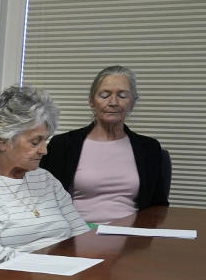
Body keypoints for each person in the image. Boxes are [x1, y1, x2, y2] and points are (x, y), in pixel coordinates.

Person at [0, 86, 89, 265]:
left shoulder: (45, 178)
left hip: (65, 270)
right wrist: (51, 263)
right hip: (18, 277)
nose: (44, 150)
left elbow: (81, 234)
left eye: (45, 140)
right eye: (35, 142)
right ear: (2, 140)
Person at [40, 65, 168, 222]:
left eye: (122, 95)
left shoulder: (149, 148)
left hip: (131, 239)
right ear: (92, 101)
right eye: (105, 95)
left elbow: (159, 207)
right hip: (76, 237)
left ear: (133, 103)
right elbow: (44, 201)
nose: (113, 102)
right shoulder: (62, 145)